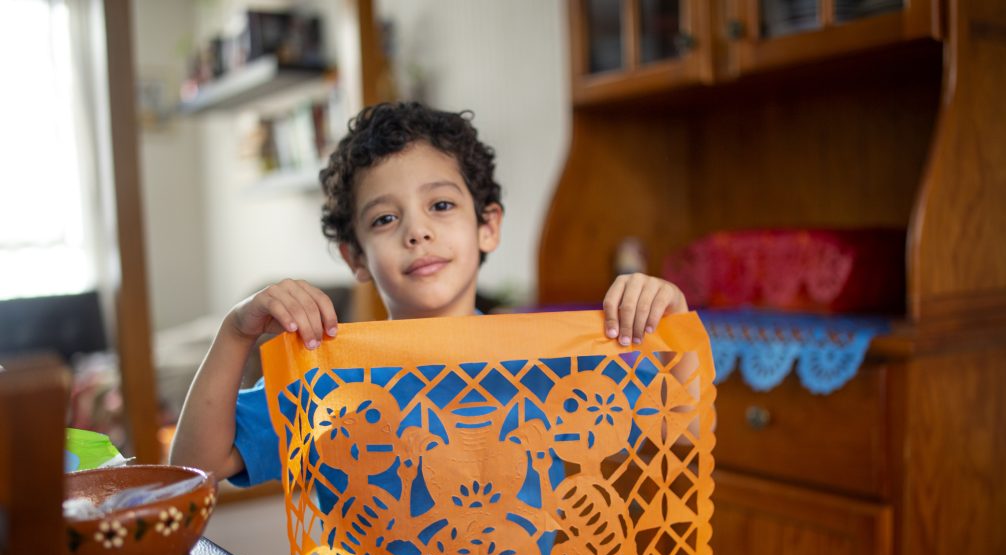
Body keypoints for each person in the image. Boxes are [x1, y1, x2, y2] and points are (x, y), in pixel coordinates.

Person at [169, 101, 689, 484]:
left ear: (488, 226)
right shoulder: (332, 383)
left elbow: (681, 429)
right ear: (355, 258)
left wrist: (673, 318)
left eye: (440, 206)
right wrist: (235, 333)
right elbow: (195, 467)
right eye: (385, 218)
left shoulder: (548, 362)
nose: (416, 232)